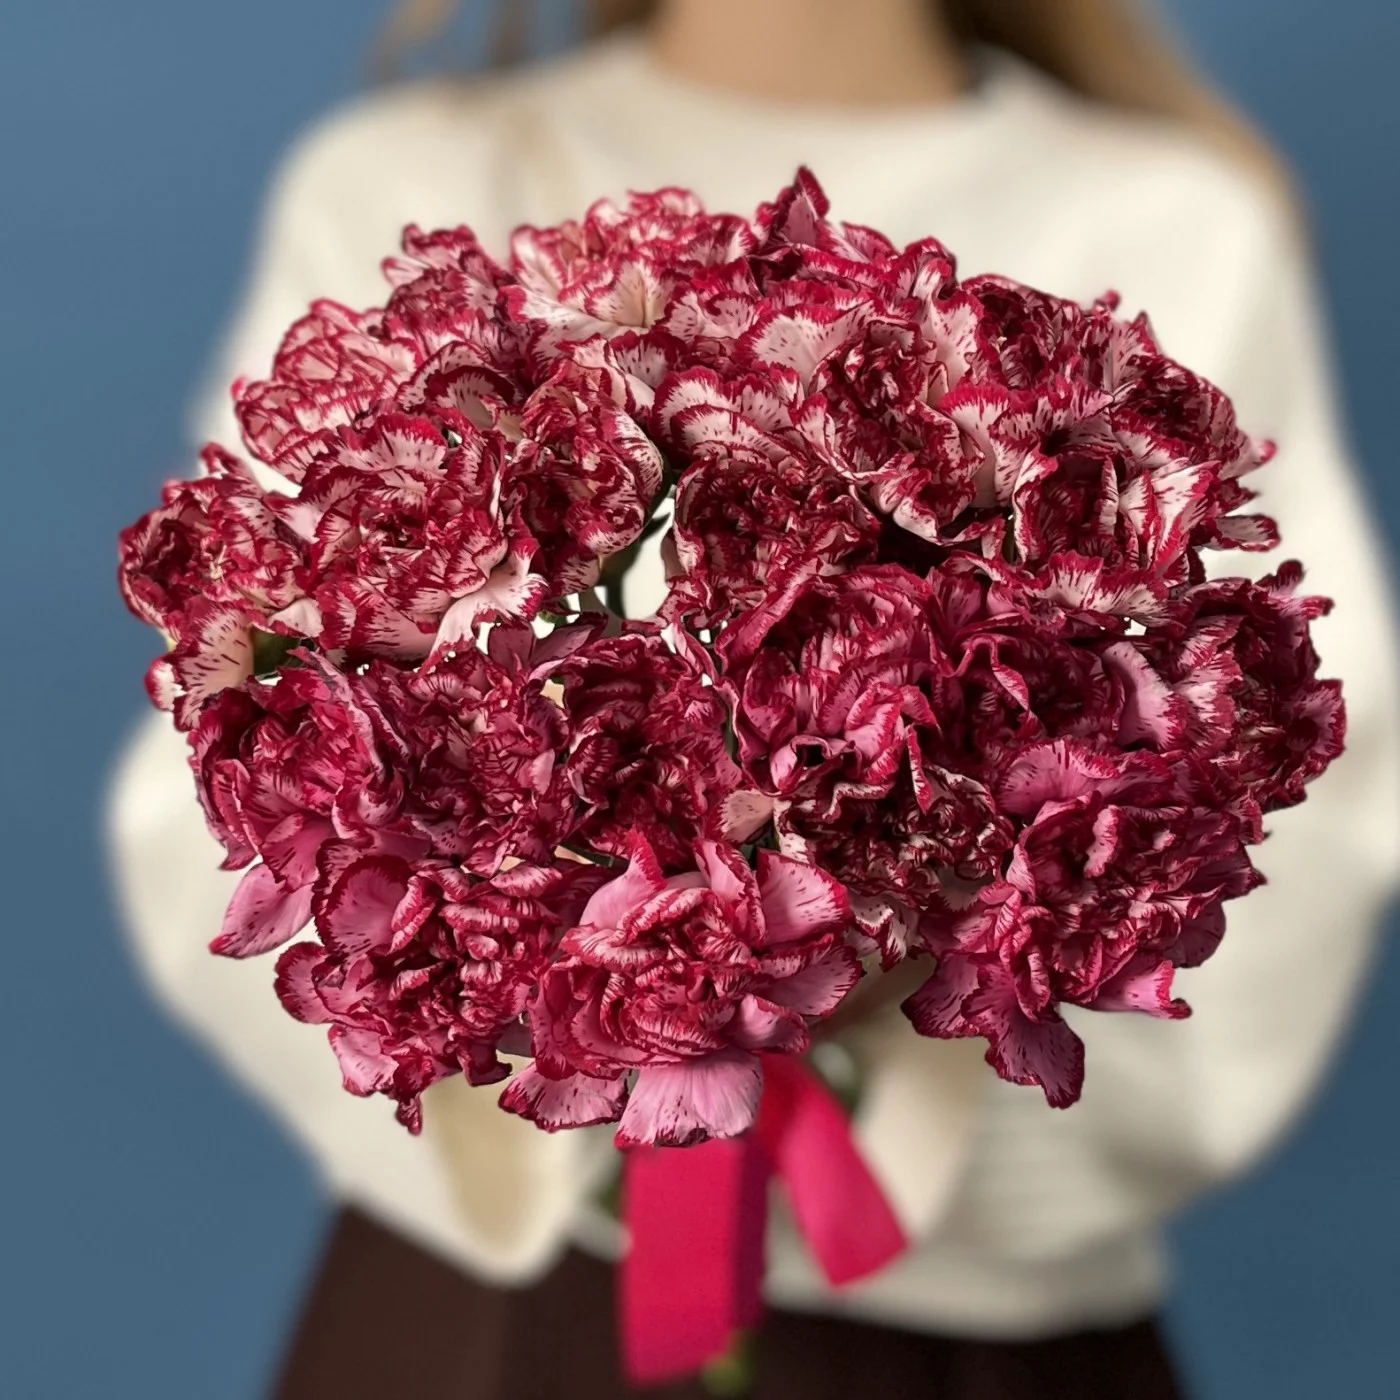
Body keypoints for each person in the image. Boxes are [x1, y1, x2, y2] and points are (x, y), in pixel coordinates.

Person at [107, 1, 1400, 1396]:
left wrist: (879, 1044)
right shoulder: (416, 175)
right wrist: (620, 1044)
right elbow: (207, 797)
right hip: (500, 1315)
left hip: (979, 1332)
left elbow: (1321, 812)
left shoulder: (1177, 216)